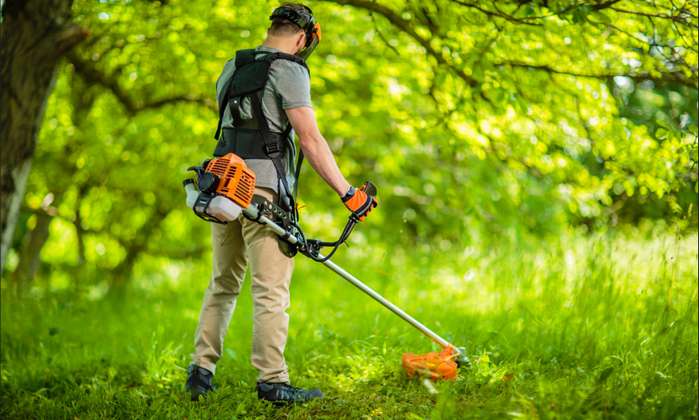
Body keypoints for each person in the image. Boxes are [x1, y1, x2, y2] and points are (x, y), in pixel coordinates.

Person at [185, 3, 377, 404]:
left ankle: (200, 373)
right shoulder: (289, 70)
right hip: (263, 195)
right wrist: (348, 194)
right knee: (270, 290)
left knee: (222, 283)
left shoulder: (231, 66)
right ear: (303, 38)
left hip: (222, 189)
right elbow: (310, 139)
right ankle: (273, 381)